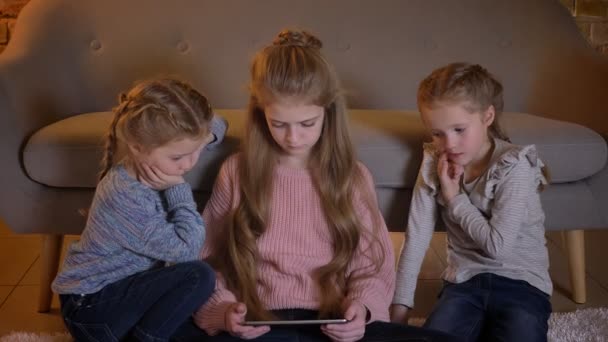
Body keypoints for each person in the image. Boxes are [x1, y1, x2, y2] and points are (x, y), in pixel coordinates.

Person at [172, 29, 459, 342]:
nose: (293, 138)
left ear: (328, 112)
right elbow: (204, 262)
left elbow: (373, 264)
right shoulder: (236, 172)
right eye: (278, 124)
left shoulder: (352, 176)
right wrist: (224, 311)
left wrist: (361, 308)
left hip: (332, 324)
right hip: (259, 326)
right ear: (260, 113)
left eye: (307, 124)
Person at [52, 77, 228, 342]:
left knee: (209, 334)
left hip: (129, 293)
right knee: (199, 275)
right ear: (137, 147)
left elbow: (218, 124)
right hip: (91, 308)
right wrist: (178, 189)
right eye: (178, 157)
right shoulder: (124, 197)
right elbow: (187, 250)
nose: (189, 164)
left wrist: (202, 137)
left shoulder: (158, 153)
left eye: (196, 151)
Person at [390, 63, 553, 342]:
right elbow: (416, 238)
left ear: (487, 116)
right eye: (437, 133)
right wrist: (399, 307)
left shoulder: (514, 165)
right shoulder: (433, 162)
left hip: (523, 285)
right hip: (463, 284)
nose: (449, 144)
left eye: (459, 129)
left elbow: (497, 247)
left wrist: (455, 199)